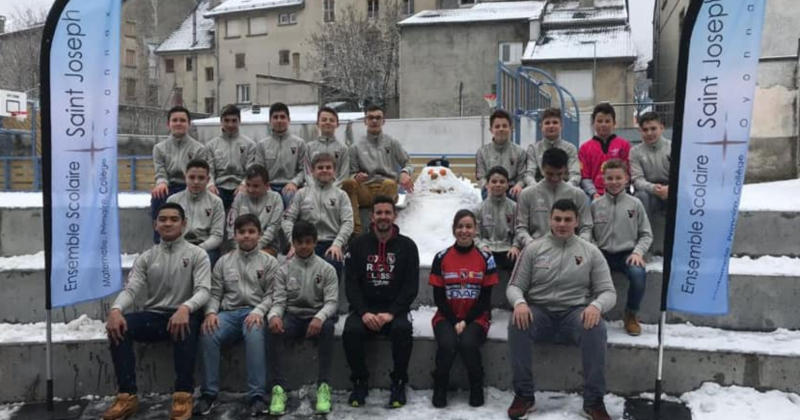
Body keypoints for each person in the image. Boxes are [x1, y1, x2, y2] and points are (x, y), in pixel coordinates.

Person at [506, 199, 616, 420]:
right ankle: (524, 395)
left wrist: (596, 305)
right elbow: (514, 286)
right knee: (516, 323)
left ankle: (593, 401)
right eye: (557, 219)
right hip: (540, 312)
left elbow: (609, 292)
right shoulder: (533, 249)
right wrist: (519, 303)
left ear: (577, 222)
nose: (562, 224)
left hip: (575, 314)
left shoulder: (590, 252)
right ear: (550, 220)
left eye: (568, 219)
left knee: (596, 328)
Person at [102, 203, 211, 420]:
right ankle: (127, 396)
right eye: (163, 219)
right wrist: (116, 310)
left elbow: (203, 291)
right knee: (119, 327)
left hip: (185, 313)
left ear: (184, 224)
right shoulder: (146, 257)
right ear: (155, 224)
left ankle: (183, 395)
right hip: (156, 316)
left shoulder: (198, 254)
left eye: (174, 219)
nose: (168, 223)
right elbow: (131, 289)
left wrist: (185, 307)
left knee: (185, 326)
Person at [194, 214, 280, 417]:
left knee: (254, 332)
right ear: (235, 235)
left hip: (255, 312)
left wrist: (259, 311)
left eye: (251, 232)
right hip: (229, 313)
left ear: (259, 234)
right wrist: (211, 313)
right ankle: (209, 393)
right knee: (208, 331)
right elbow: (215, 293)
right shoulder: (224, 262)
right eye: (241, 232)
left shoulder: (269, 262)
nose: (246, 236)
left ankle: (256, 396)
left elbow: (273, 294)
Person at [343, 195, 419, 408]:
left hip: (394, 310)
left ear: (394, 216)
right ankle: (360, 381)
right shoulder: (358, 245)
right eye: (379, 213)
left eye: (387, 212)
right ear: (373, 216)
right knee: (351, 331)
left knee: (403, 330)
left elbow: (410, 287)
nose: (383, 217)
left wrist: (392, 313)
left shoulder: (408, 246)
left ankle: (398, 382)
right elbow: (351, 285)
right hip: (365, 309)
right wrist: (364, 312)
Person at [267, 221, 339, 415]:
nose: (304, 246)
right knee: (273, 331)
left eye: (308, 242)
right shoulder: (284, 269)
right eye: (300, 242)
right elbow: (279, 301)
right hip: (294, 316)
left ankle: (324, 386)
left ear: (315, 242)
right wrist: (274, 316)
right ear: (293, 243)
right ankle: (278, 388)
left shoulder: (327, 269)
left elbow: (332, 302)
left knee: (328, 329)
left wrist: (319, 317)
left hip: (317, 315)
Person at [429, 209, 498, 408]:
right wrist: (454, 321)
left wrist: (466, 321)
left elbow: (486, 298)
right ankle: (440, 385)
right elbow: (438, 297)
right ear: (453, 230)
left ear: (475, 230)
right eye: (460, 226)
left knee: (468, 343)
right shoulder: (441, 257)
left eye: (469, 226)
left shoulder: (486, 258)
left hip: (476, 317)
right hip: (446, 315)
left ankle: (476, 385)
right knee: (448, 343)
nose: (464, 231)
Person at [591, 159, 652, 336]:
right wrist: (594, 250)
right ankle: (593, 311)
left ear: (626, 179)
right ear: (603, 180)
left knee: (638, 275)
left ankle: (631, 314)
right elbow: (588, 232)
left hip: (628, 254)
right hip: (601, 253)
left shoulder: (635, 204)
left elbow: (646, 234)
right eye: (610, 178)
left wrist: (638, 252)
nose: (614, 182)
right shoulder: (596, 205)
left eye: (618, 177)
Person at [341, 105, 414, 236]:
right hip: (365, 189)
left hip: (386, 187)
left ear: (383, 121)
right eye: (370, 117)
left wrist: (405, 173)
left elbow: (408, 162)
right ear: (365, 121)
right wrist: (356, 177)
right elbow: (351, 173)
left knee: (389, 183)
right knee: (348, 184)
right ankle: (356, 232)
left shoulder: (392, 143)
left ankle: (381, 227)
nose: (374, 121)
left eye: (378, 118)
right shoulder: (355, 147)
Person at [282, 152, 354, 276]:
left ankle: (331, 295)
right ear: (312, 171)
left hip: (331, 243)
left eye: (328, 167)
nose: (324, 170)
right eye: (320, 168)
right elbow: (287, 219)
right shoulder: (302, 194)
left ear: (334, 172)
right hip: (306, 242)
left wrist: (338, 244)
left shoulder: (341, 195)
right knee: (291, 262)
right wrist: (293, 242)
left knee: (334, 259)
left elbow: (348, 222)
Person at [515, 148, 592, 248]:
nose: (555, 178)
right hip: (537, 249)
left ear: (566, 170)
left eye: (559, 174)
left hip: (570, 249)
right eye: (550, 174)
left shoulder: (578, 194)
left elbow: (586, 227)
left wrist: (579, 246)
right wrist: (531, 245)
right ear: (542, 169)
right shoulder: (527, 194)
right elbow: (521, 228)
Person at [151, 105, 206, 243]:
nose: (178, 123)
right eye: (174, 120)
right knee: (158, 195)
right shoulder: (159, 148)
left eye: (182, 120)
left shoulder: (198, 148)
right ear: (168, 124)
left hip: (190, 186)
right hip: (169, 186)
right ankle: (159, 241)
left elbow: (199, 173)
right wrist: (161, 182)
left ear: (188, 124)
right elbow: (160, 170)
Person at [167, 159, 225, 266]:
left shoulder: (216, 202)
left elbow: (217, 235)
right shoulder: (173, 200)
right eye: (192, 177)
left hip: (205, 247)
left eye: (201, 178)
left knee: (206, 260)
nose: (196, 182)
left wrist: (199, 249)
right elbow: (168, 231)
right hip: (179, 245)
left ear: (208, 180)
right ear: (185, 178)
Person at [248, 102, 307, 208]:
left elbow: (304, 170)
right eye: (275, 117)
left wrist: (294, 183)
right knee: (267, 200)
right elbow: (259, 170)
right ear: (270, 121)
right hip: (269, 186)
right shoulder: (262, 145)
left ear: (289, 120)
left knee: (291, 197)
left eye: (282, 117)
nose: (279, 120)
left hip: (290, 186)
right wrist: (265, 186)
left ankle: (289, 223)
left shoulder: (299, 143)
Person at [204, 104, 255, 213]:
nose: (230, 124)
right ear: (221, 121)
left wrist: (244, 185)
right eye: (226, 120)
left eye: (234, 120)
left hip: (241, 186)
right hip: (219, 187)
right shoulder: (211, 145)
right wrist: (210, 185)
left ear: (239, 121)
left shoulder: (250, 145)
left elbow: (251, 170)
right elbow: (209, 170)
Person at [475, 109, 533, 200]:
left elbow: (522, 176)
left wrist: (519, 185)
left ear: (511, 128)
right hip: (491, 187)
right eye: (497, 126)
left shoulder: (520, 152)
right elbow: (480, 176)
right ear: (491, 130)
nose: (501, 129)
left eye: (505, 126)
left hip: (511, 188)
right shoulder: (482, 152)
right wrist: (487, 186)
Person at [578, 103, 631, 200]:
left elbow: (628, 174)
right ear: (593, 123)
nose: (603, 124)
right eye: (599, 121)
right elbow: (585, 177)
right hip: (594, 196)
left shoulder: (625, 146)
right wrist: (593, 194)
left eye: (607, 121)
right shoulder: (584, 148)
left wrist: (620, 191)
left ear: (614, 123)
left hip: (620, 193)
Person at [227, 164, 284, 255]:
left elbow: (273, 228)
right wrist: (239, 247)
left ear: (266, 185)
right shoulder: (240, 197)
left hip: (267, 245)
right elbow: (231, 226)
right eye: (248, 185)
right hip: (240, 244)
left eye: (255, 186)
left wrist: (254, 248)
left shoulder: (276, 198)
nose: (250, 189)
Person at [475, 166, 520, 271]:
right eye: (494, 181)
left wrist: (515, 246)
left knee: (516, 260)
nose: (498, 184)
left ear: (508, 184)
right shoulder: (479, 209)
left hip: (508, 249)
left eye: (502, 182)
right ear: (487, 185)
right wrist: (482, 246)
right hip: (487, 248)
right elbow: (475, 235)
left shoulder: (515, 207)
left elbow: (519, 230)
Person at [630, 111, 671, 220]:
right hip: (649, 191)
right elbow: (637, 179)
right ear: (640, 131)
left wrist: (670, 189)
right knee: (640, 197)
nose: (649, 133)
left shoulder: (673, 147)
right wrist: (653, 188)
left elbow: (682, 176)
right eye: (645, 130)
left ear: (661, 128)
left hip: (670, 189)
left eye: (653, 129)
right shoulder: (635, 151)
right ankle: (643, 234)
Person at [527, 107, 581, 186]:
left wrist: (567, 188)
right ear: (541, 126)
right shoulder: (533, 149)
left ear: (561, 126)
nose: (551, 126)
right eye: (547, 123)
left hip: (565, 187)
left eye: (555, 122)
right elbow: (529, 174)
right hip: (540, 189)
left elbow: (575, 174)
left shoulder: (570, 148)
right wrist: (536, 188)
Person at [306, 106, 350, 187]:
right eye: (324, 120)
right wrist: (315, 188)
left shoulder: (343, 148)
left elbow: (344, 175)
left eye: (331, 120)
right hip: (313, 190)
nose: (327, 122)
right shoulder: (309, 147)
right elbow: (307, 173)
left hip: (336, 191)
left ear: (337, 124)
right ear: (317, 124)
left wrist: (331, 189)